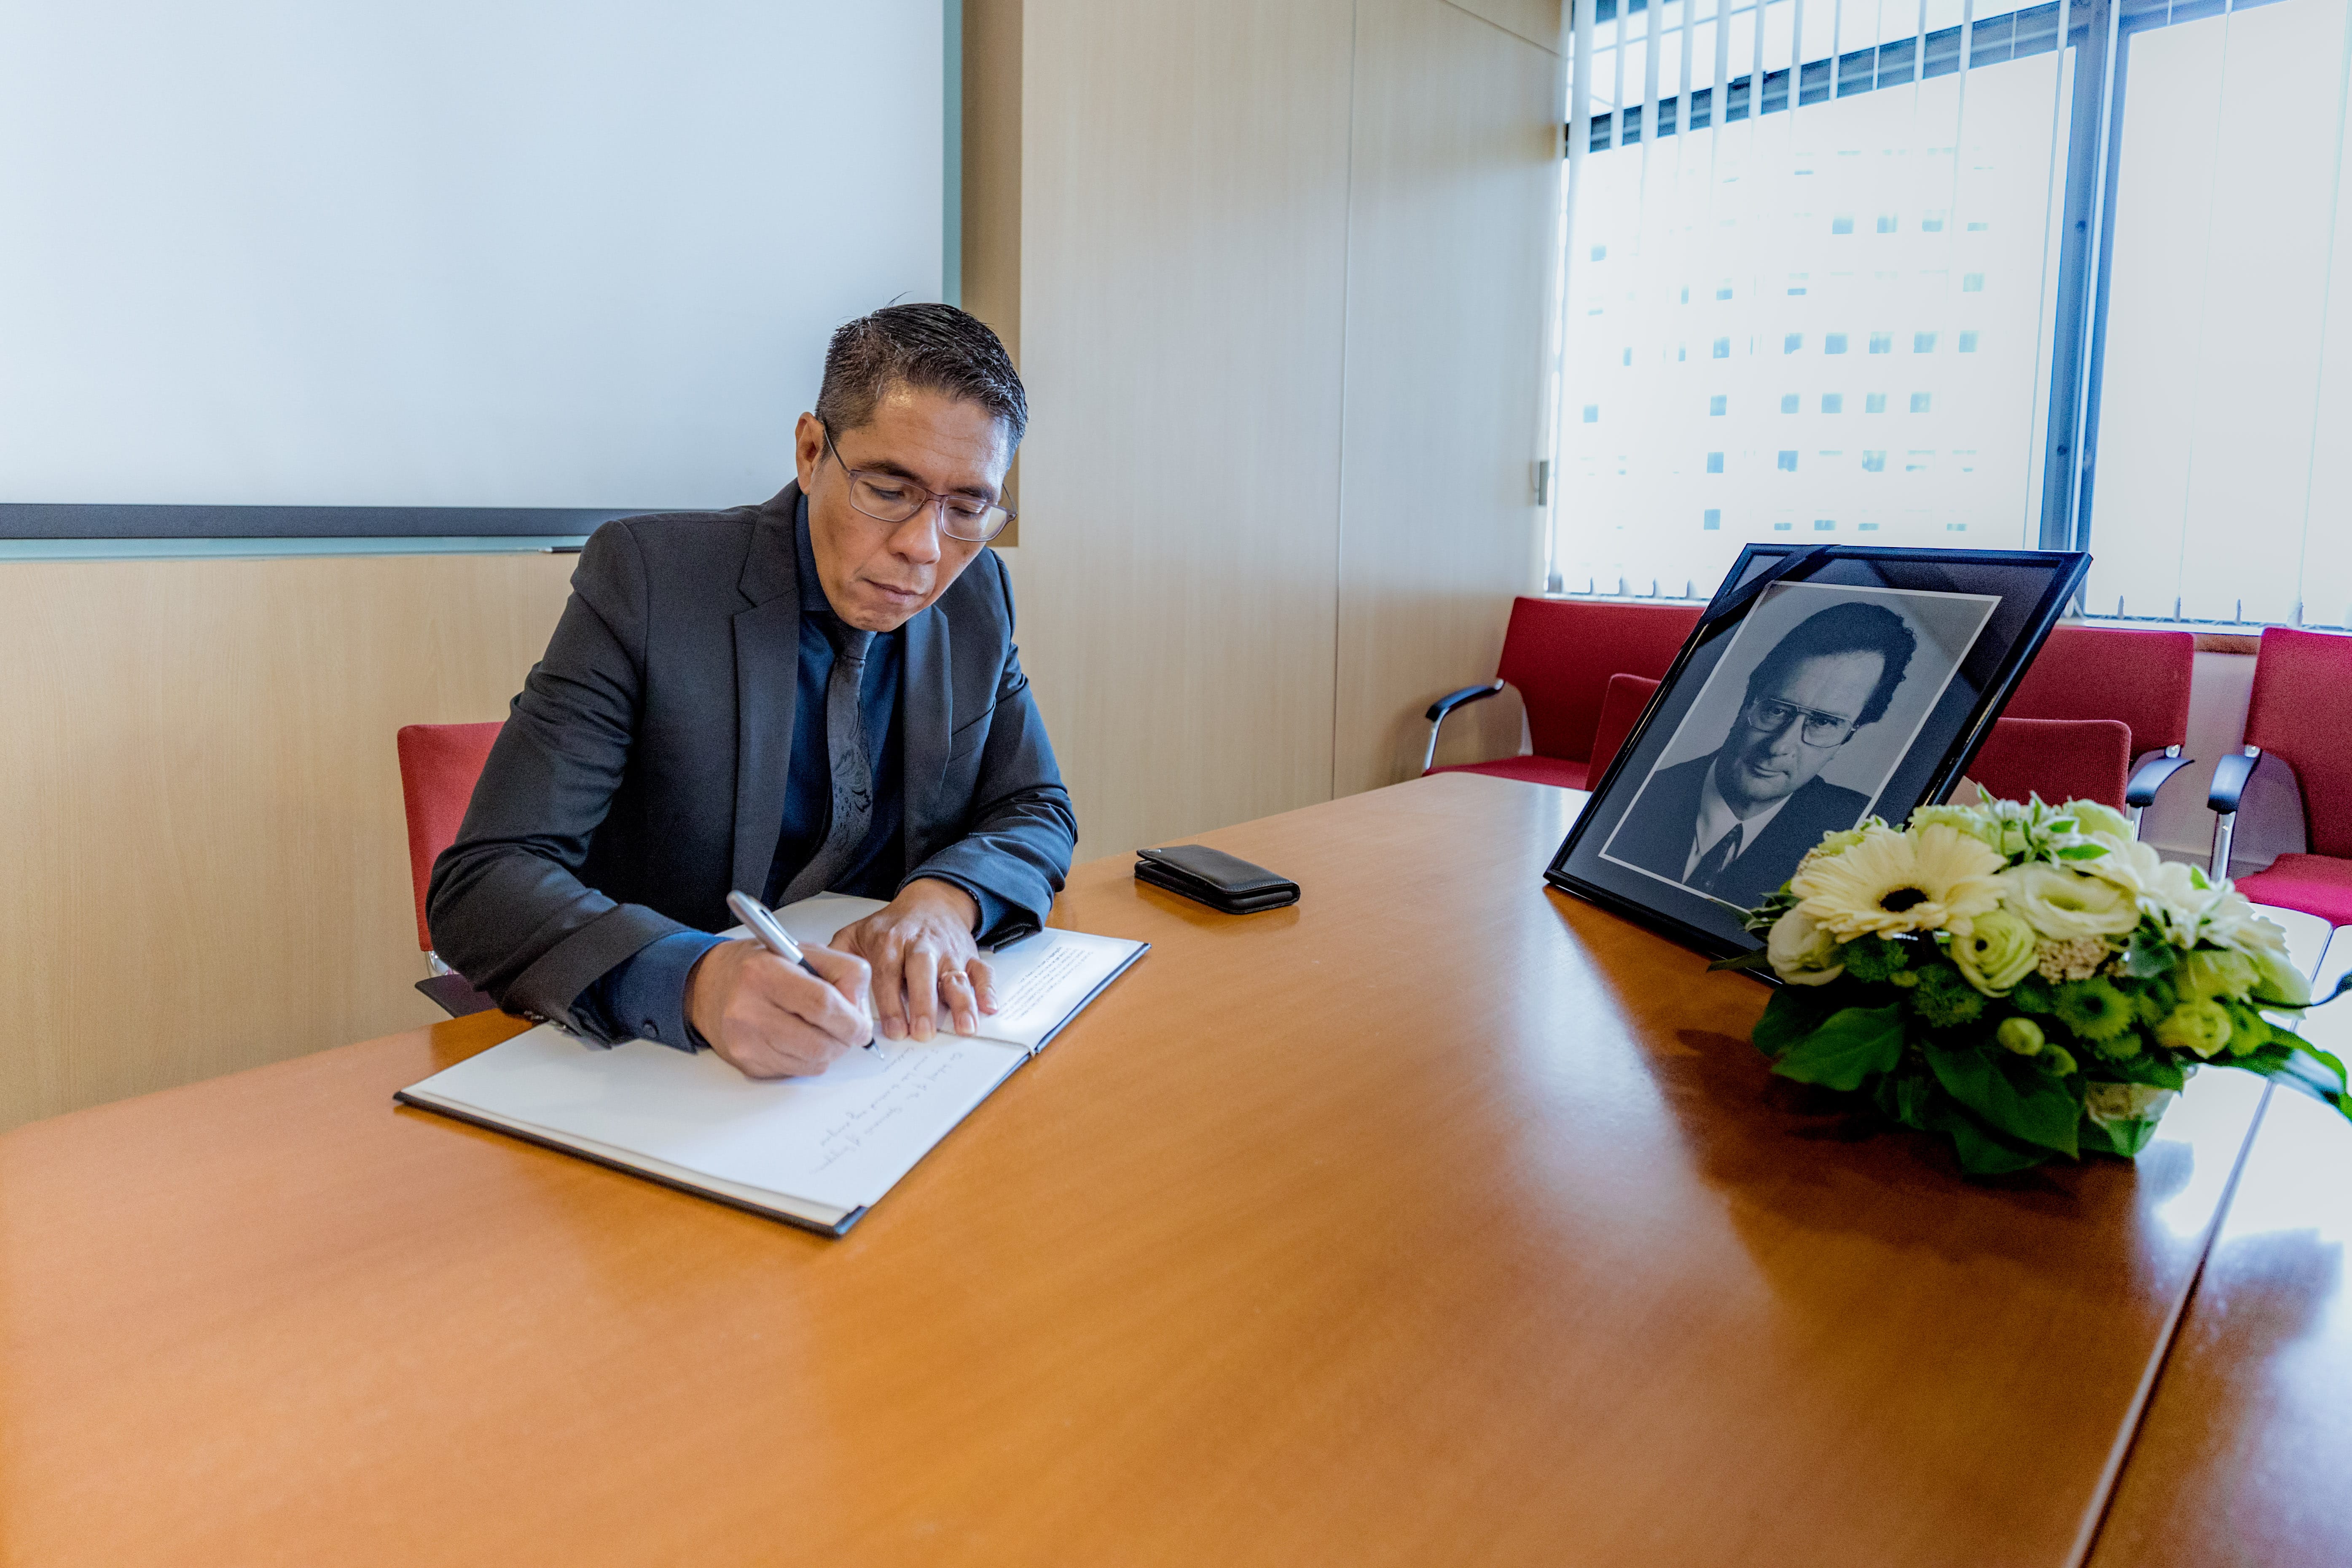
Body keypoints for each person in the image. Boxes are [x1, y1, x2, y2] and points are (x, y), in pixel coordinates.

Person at [428, 304, 1075, 1080]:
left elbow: (1035, 807)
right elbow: (486, 881)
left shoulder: (977, 598)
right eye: (888, 489)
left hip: (886, 1058)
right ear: (811, 453)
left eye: (968, 509)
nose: (923, 548)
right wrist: (695, 979)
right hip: (661, 1063)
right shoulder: (651, 581)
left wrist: (943, 901)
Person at [1605, 601, 1917, 909]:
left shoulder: (1870, 838)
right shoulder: (1636, 794)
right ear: (1747, 701)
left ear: (1850, 735)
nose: (1779, 747)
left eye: (1823, 722)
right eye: (1776, 709)